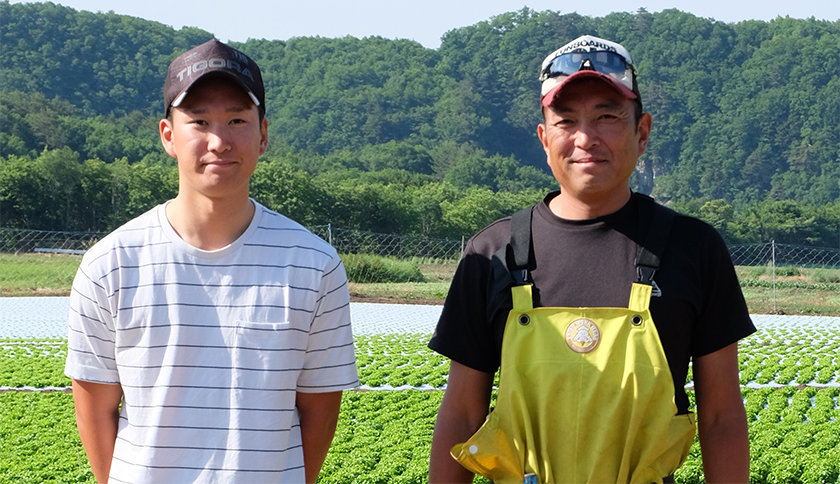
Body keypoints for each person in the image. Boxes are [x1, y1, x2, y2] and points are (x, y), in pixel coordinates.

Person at [428, 35, 755, 484]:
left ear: (642, 132)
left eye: (607, 117)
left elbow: (722, 416)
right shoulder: (493, 253)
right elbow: (463, 413)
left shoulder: (693, 248)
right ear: (545, 138)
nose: (585, 138)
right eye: (566, 121)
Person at [65, 39, 359, 484]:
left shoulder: (313, 264)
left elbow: (318, 409)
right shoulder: (110, 264)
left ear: (263, 135)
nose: (219, 141)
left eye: (237, 120)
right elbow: (95, 408)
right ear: (168, 135)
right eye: (199, 121)